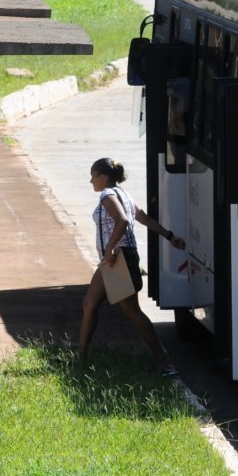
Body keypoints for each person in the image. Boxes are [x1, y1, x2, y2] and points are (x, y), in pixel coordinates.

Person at [77, 158, 185, 375]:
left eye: (93, 176)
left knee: (132, 311)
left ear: (103, 176)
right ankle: (80, 359)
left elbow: (123, 220)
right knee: (89, 304)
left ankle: (163, 360)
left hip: (118, 259)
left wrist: (108, 252)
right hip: (118, 258)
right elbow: (144, 218)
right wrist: (169, 236)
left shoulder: (108, 195)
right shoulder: (124, 194)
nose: (91, 181)